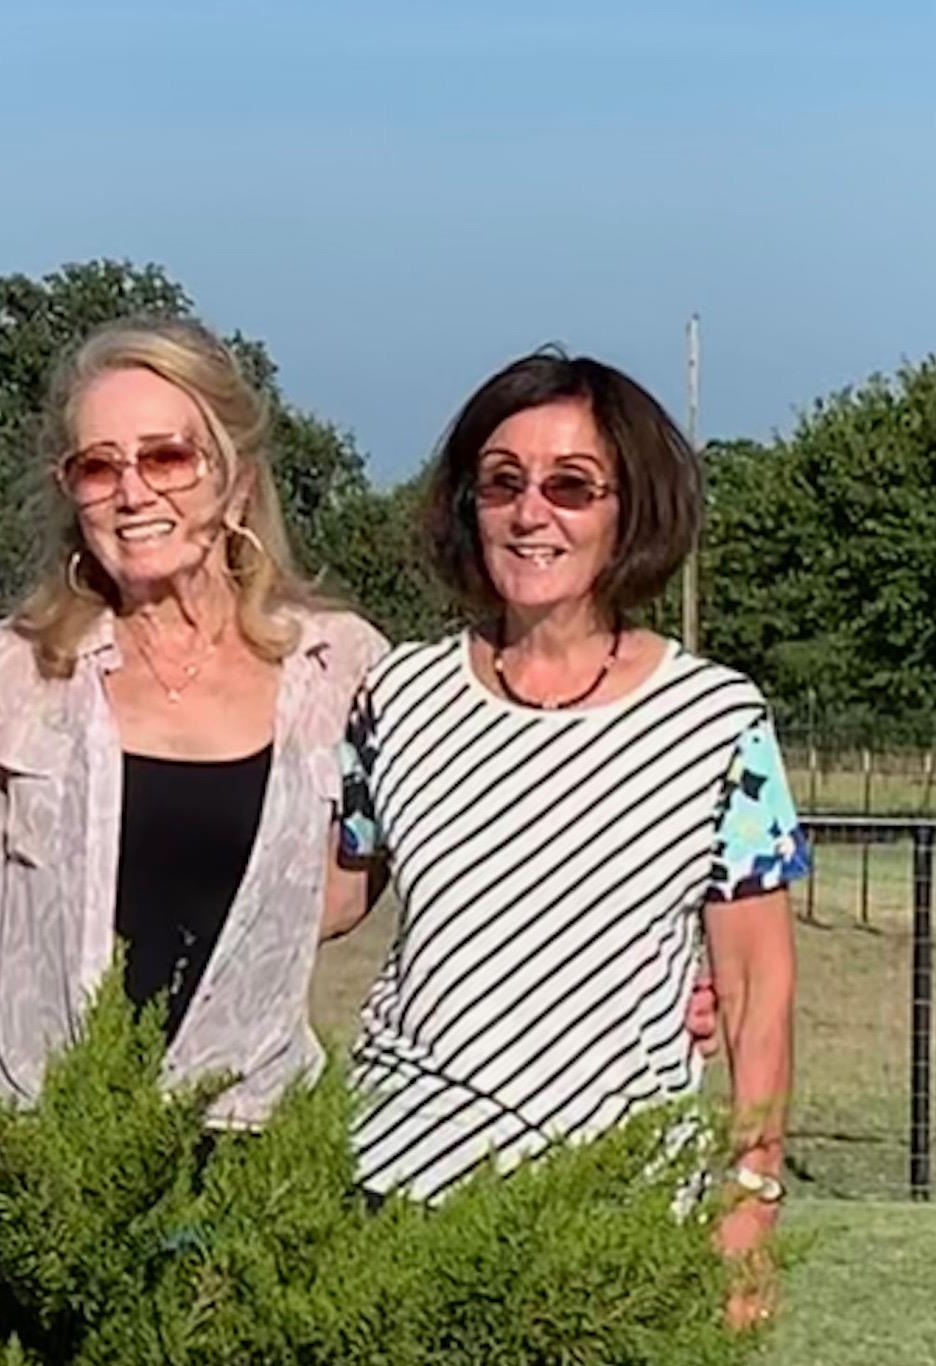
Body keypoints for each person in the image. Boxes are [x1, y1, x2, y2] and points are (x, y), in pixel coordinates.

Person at [337, 349, 802, 1323]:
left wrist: (751, 1202)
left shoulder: (719, 721)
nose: (530, 511)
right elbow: (329, 895)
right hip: (399, 1199)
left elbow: (757, 990)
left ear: (630, 509)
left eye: (571, 485)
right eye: (501, 482)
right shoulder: (394, 697)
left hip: (621, 1217)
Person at [0, 317, 387, 1124]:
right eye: (97, 467)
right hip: (34, 1138)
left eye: (167, 457)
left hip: (250, 1140)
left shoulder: (340, 669)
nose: (133, 492)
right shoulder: (19, 665)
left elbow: (402, 865)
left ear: (237, 480)